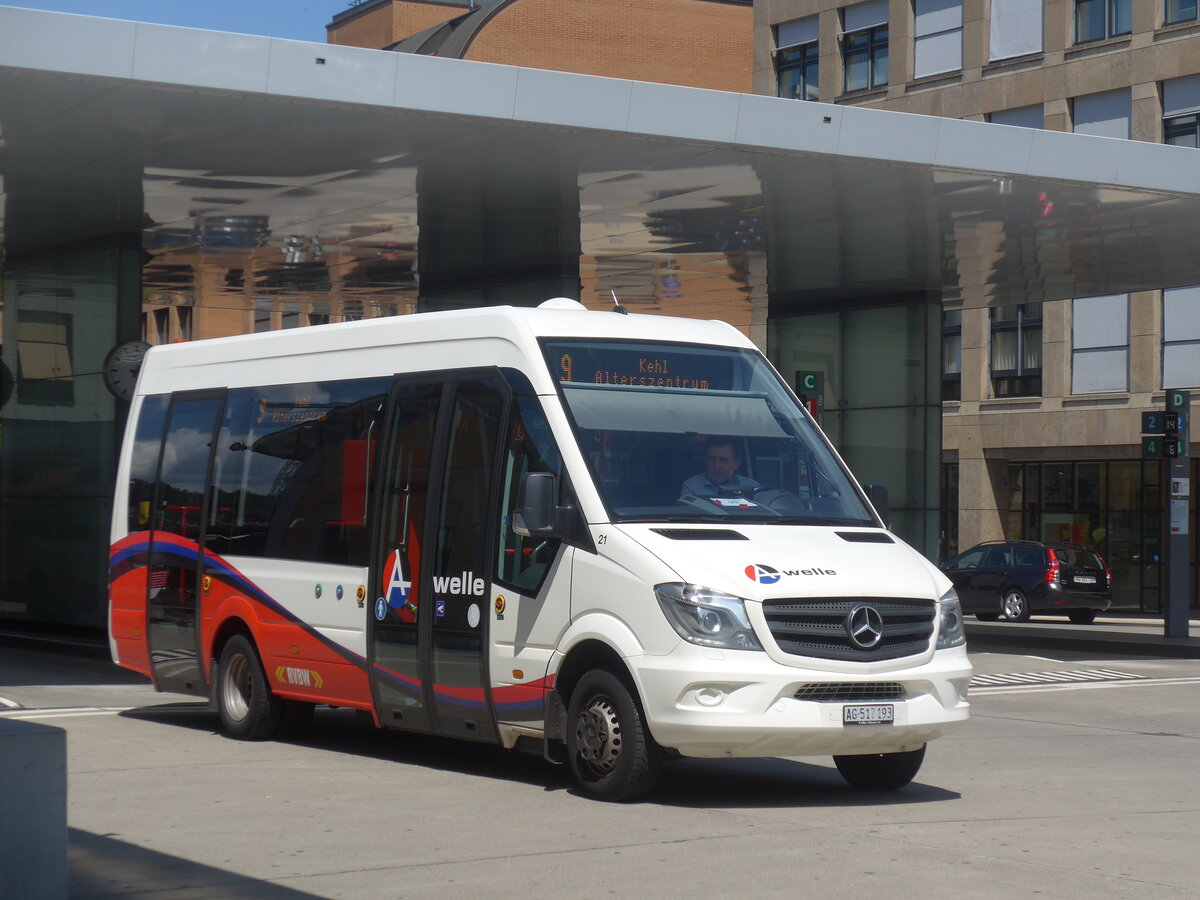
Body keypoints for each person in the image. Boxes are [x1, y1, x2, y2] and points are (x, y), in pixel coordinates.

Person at [680, 437, 760, 497]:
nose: (717, 466)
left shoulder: (754, 489)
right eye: (712, 459)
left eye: (723, 460)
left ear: (736, 463)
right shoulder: (692, 487)